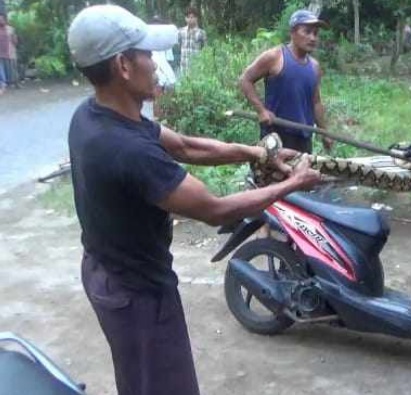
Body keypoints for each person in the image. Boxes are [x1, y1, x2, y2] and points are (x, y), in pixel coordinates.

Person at [66, 5, 321, 395]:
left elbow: (185, 145)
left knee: (139, 379)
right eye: (148, 54)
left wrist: (258, 153)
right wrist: (292, 184)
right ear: (123, 66)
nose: (156, 65)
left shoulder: (93, 114)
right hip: (139, 292)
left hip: (106, 270)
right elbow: (215, 209)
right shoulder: (128, 151)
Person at [240, 9, 332, 154]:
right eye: (307, 31)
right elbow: (245, 80)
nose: (313, 38)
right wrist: (261, 111)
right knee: (272, 175)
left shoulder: (314, 66)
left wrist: (324, 132)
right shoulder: (275, 57)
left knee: (302, 175)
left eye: (315, 33)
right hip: (276, 136)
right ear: (293, 32)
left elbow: (316, 102)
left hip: (304, 136)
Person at [177, 7, 206, 74]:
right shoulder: (181, 31)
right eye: (188, 17)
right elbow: (178, 45)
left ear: (196, 18)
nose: (190, 19)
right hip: (184, 65)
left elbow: (205, 49)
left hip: (196, 66)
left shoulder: (202, 33)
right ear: (185, 18)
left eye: (192, 17)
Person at [0, 13, 17, 94]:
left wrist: (14, 40)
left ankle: (16, 82)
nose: (0, 21)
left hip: (10, 50)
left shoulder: (10, 29)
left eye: (1, 19)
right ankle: (3, 84)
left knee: (13, 68)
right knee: (1, 68)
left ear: (5, 20)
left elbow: (15, 40)